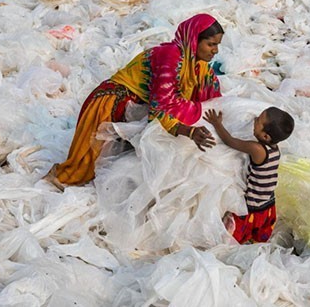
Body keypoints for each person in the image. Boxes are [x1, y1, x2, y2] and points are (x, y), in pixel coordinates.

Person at [46, 14, 224, 189]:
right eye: (211, 44)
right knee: (81, 169)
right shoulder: (170, 57)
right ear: (194, 39)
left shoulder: (199, 67)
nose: (215, 50)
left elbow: (212, 100)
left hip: (133, 106)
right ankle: (54, 177)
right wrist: (189, 132)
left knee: (118, 166)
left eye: (217, 45)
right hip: (111, 104)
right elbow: (160, 108)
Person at [204, 106, 294, 244]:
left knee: (233, 237)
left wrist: (217, 124)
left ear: (265, 136)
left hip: (253, 206)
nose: (254, 120)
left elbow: (230, 141)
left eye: (258, 121)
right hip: (268, 204)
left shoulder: (257, 149)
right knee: (257, 236)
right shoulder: (275, 149)